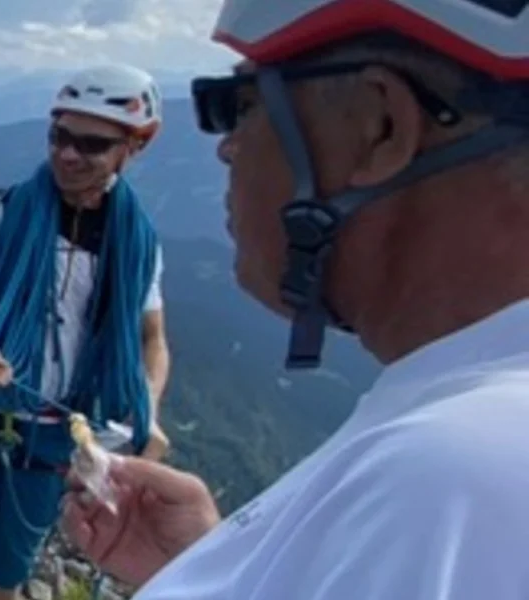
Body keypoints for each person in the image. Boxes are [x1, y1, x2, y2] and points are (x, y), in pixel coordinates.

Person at [59, 1, 529, 598]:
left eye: (240, 105)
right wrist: (219, 568)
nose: (226, 147)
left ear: (380, 126)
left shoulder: (441, 486)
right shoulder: (471, 448)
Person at [0, 63, 174, 600]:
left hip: (52, 425)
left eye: (91, 144)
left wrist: (148, 409)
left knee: (9, 561)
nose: (68, 154)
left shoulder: (137, 245)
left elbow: (151, 339)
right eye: (59, 136)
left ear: (136, 146)